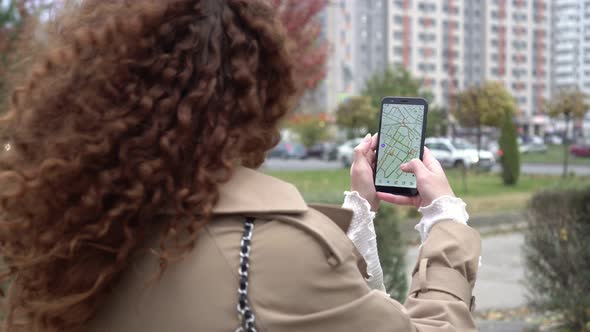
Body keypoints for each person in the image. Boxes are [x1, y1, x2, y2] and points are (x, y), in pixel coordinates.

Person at [0, 0, 480, 331]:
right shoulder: (269, 251)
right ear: (257, 92)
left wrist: (359, 210)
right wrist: (445, 221)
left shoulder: (55, 234)